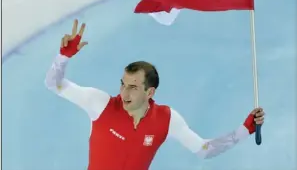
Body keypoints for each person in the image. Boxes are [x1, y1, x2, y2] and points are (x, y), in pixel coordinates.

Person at [45, 19, 265, 170]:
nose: (124, 92)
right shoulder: (100, 104)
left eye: (133, 87)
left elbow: (204, 150)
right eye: (123, 84)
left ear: (150, 92)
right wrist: (63, 56)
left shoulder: (166, 119)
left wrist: (245, 130)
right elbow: (54, 84)